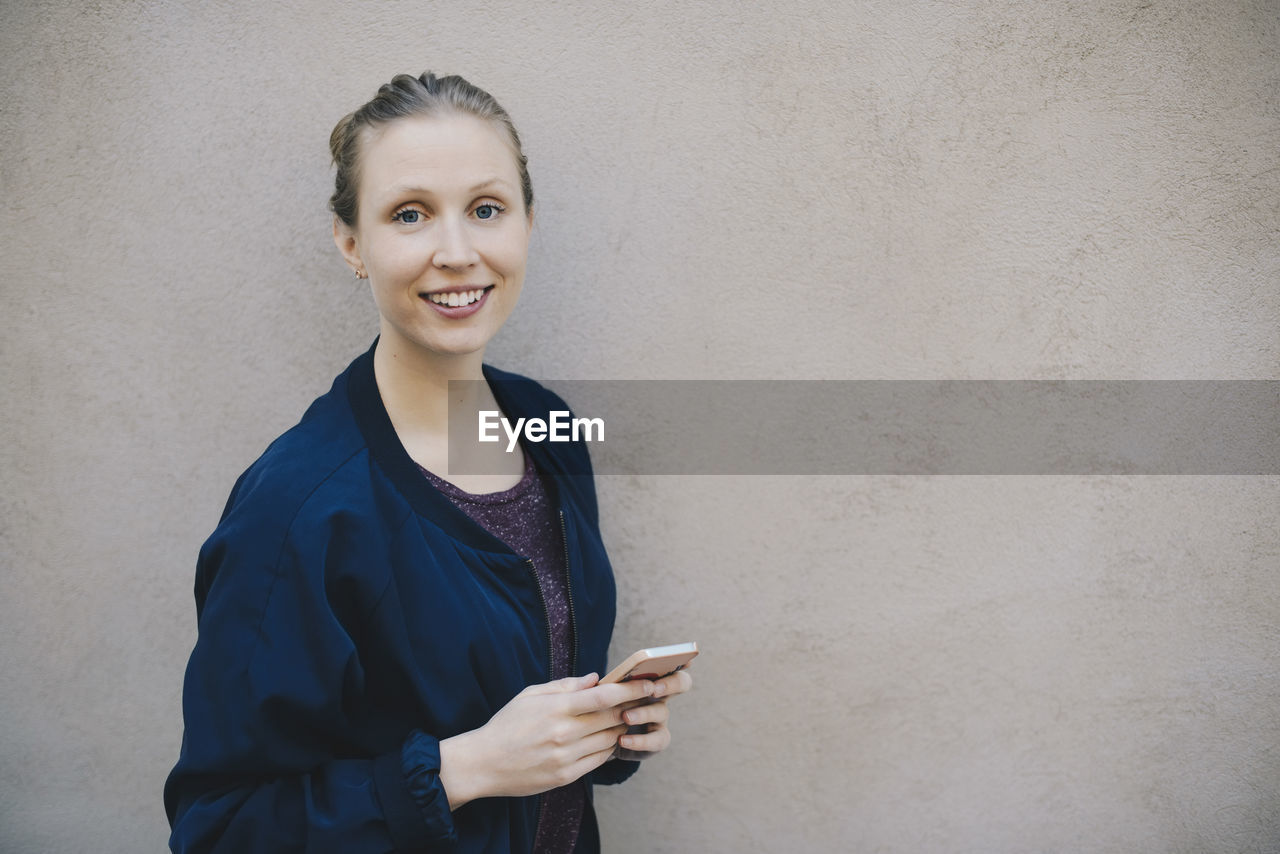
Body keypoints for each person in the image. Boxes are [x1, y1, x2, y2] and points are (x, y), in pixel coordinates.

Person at [163, 72, 692, 854]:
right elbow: (222, 826)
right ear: (351, 244)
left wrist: (604, 728)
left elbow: (522, 691)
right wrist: (464, 768)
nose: (457, 252)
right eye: (410, 214)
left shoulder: (547, 427)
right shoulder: (296, 511)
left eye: (486, 209)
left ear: (528, 223)